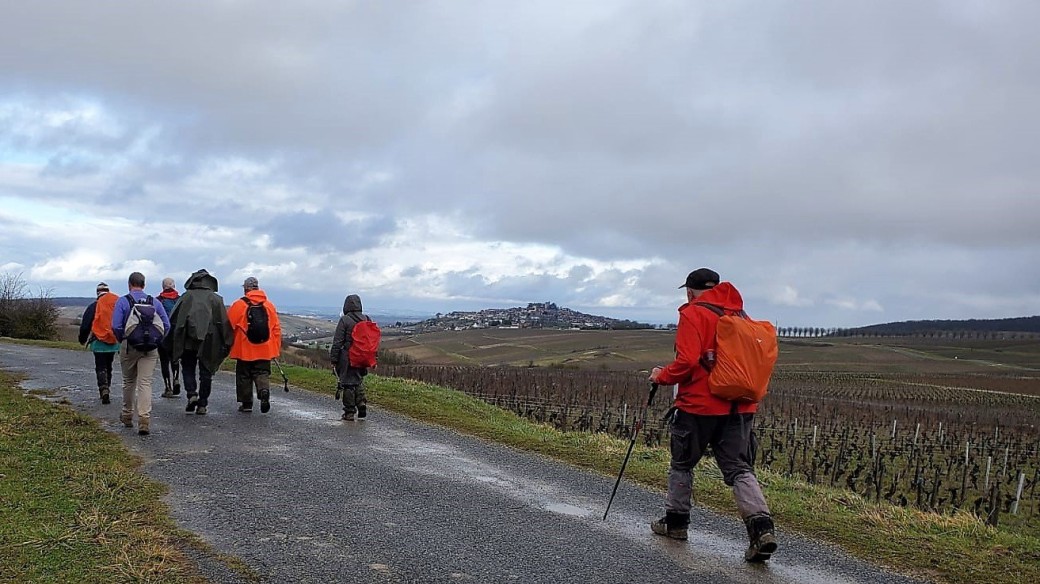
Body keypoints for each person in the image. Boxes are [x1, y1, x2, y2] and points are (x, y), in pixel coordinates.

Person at [648, 268, 778, 562]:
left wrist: (661, 376)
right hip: (741, 406)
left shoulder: (693, 314)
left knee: (682, 464)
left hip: (699, 406)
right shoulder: (740, 315)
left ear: (689, 291)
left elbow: (686, 362)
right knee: (740, 469)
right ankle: (762, 530)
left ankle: (676, 524)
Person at [163, 269, 232, 416]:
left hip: (188, 341)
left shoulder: (186, 297)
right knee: (206, 373)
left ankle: (191, 393)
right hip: (209, 342)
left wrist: (169, 342)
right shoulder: (216, 299)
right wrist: (227, 343)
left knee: (188, 368)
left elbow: (174, 320)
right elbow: (223, 323)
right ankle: (203, 403)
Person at [111, 272, 171, 435]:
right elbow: (166, 325)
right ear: (144, 285)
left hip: (129, 346)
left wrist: (123, 339)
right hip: (150, 347)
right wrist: (157, 339)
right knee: (145, 382)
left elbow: (116, 325)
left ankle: (127, 415)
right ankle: (144, 418)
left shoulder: (123, 301)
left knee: (129, 381)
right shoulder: (154, 302)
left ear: (129, 284)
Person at [227, 277, 282, 413]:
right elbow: (276, 329)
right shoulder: (269, 306)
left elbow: (229, 326)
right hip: (265, 349)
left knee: (244, 375)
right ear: (258, 288)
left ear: (245, 289)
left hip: (244, 349)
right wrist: (275, 348)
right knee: (262, 373)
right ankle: (263, 391)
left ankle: (246, 404)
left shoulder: (239, 305)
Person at [329, 294, 371, 421]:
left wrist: (334, 359)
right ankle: (361, 402)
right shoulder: (367, 319)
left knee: (348, 384)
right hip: (363, 355)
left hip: (348, 357)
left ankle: (349, 412)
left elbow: (337, 342)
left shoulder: (345, 320)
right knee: (358, 380)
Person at [77, 282, 120, 404]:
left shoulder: (94, 306)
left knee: (100, 366)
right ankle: (108, 387)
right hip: (113, 341)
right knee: (109, 365)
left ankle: (103, 388)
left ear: (98, 293)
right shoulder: (116, 304)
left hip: (98, 341)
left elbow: (85, 325)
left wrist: (82, 339)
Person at [157, 277, 181, 398]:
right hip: (177, 334)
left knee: (164, 361)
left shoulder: (158, 300)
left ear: (163, 287)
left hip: (163, 334)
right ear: (174, 286)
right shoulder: (180, 299)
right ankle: (176, 378)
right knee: (175, 359)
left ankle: (168, 387)